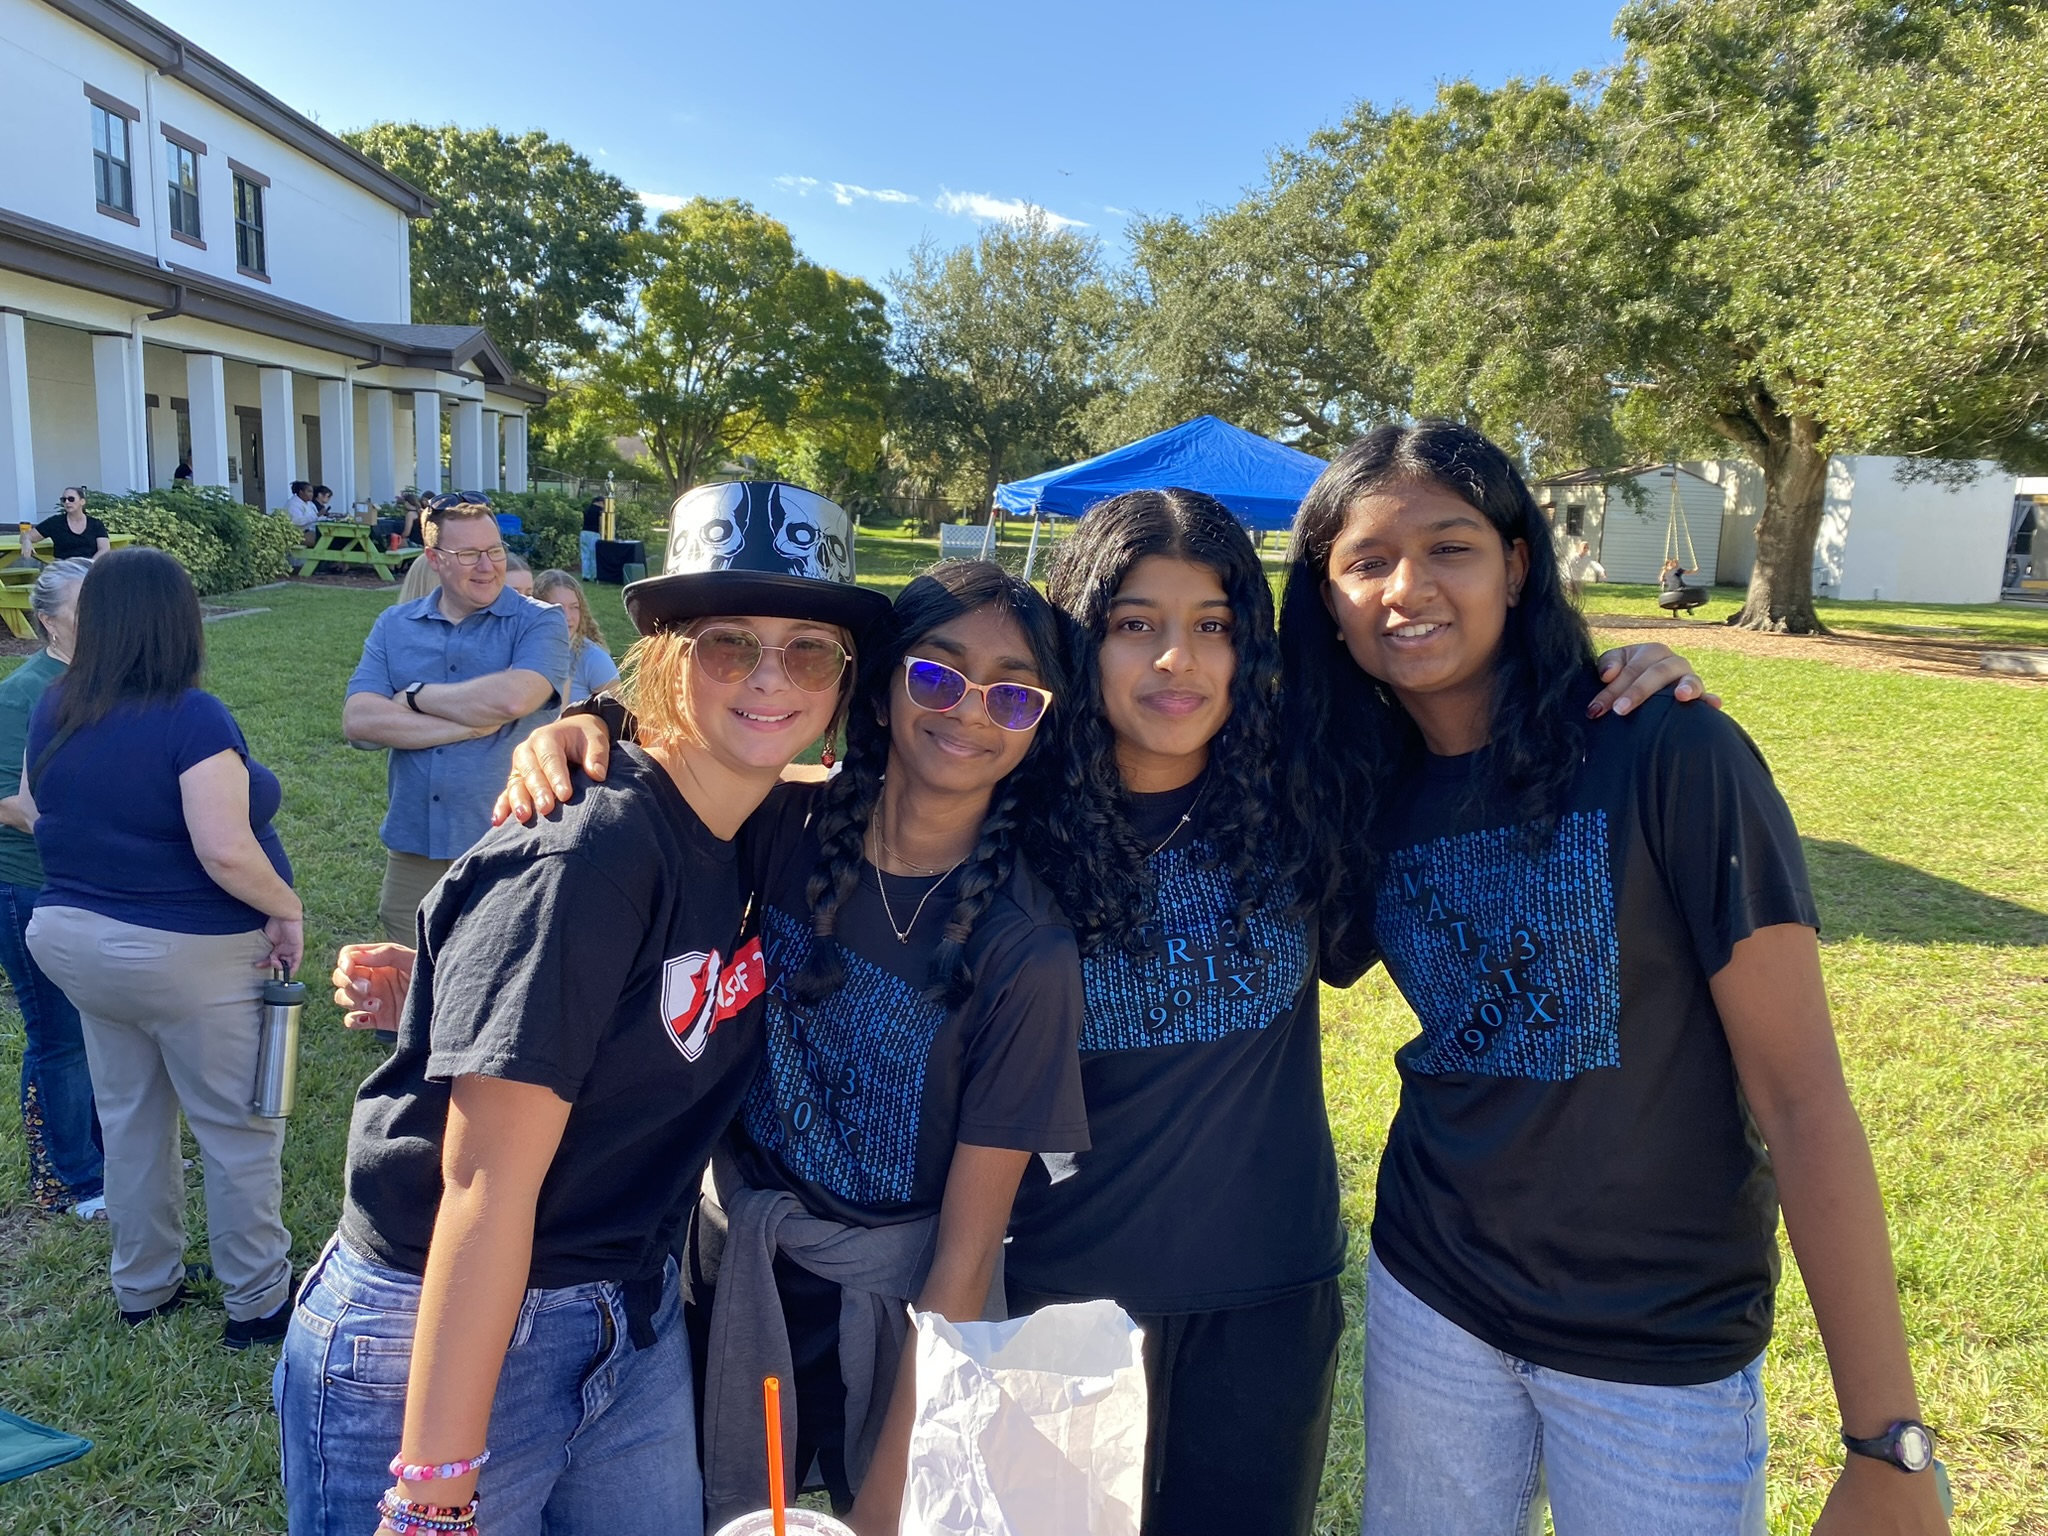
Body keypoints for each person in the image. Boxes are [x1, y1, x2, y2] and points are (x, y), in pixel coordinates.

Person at [497, 490, 1705, 1536]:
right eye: (1133, 624)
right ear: (1078, 649)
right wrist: (595, 723)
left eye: (1212, 626)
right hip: (1049, 1299)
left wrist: (1610, 676)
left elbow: (1462, 733)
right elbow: (778, 781)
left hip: (1257, 1300)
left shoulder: (1309, 805)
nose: (1174, 660)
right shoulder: (1007, 812)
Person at [1280, 421, 1949, 1536]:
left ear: (1516, 566)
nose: (1407, 589)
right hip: (1433, 1296)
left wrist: (1887, 1442)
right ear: (1329, 601)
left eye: (1449, 548)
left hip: (1656, 1340)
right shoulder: (1356, 791)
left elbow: (1801, 1099)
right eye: (1366, 562)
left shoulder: (1664, 749)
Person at [282, 483, 890, 1536]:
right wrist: (433, 1491)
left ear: (842, 682)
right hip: (453, 1321)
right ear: (666, 657)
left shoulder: (754, 822)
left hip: (627, 1306)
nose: (767, 677)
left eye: (809, 652)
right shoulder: (589, 849)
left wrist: (588, 717)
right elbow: (482, 1187)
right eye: (728, 644)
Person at [21, 548, 301, 1347]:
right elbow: (225, 850)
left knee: (131, 1120)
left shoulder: (58, 705)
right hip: (187, 953)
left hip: (75, 941)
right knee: (238, 1132)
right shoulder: (193, 717)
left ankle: (144, 1287)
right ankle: (258, 1304)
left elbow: (40, 810)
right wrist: (287, 908)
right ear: (179, 621)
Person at [342, 492, 570, 970]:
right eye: (468, 554)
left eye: (494, 550)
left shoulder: (540, 621)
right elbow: (360, 723)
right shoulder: (395, 625)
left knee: (496, 972)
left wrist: (414, 695)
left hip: (512, 838)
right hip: (416, 843)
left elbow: (513, 700)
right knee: (408, 971)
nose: (487, 566)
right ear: (434, 559)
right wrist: (466, 728)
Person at [0, 559, 102, 1218]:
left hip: (95, 887)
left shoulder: (110, 685)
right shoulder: (23, 693)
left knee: (102, 1030)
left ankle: (107, 1153)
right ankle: (71, 1179)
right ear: (48, 621)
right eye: (85, 609)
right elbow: (12, 804)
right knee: (61, 1037)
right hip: (30, 886)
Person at [533, 568, 619, 702]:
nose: (567, 617)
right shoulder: (523, 651)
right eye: (557, 608)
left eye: (574, 607)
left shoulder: (594, 659)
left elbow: (617, 713)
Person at [37, 488, 111, 561]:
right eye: (64, 499)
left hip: (89, 565)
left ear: (82, 501)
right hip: (63, 566)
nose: (67, 502)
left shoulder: (96, 524)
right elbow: (31, 536)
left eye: (71, 499)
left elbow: (104, 549)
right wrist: (29, 543)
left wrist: (90, 564)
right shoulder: (54, 522)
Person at [285, 481, 318, 546]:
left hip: (312, 530)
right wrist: (317, 515)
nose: (312, 494)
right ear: (301, 492)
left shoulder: (310, 503)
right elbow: (297, 521)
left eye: (312, 492)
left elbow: (317, 517)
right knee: (325, 540)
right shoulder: (293, 504)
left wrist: (329, 517)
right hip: (299, 534)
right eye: (309, 492)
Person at [582, 496, 605, 581]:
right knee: (594, 555)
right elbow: (601, 523)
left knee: (585, 555)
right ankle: (595, 575)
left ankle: (586, 575)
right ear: (600, 502)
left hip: (584, 532)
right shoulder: (599, 511)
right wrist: (602, 533)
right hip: (594, 533)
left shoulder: (587, 509)